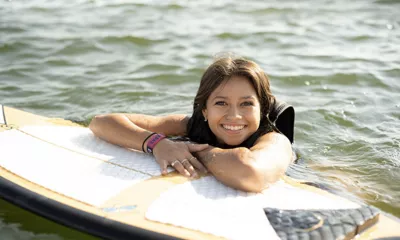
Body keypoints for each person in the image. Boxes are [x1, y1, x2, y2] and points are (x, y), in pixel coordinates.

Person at [89, 56, 295, 192]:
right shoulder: (190, 126)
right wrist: (159, 144)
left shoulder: (275, 141)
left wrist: (189, 152)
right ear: (204, 109)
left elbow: (250, 173)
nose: (234, 115)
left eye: (247, 104)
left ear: (262, 108)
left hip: (309, 180)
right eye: (221, 103)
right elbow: (101, 123)